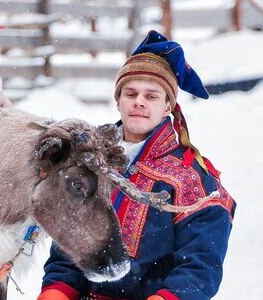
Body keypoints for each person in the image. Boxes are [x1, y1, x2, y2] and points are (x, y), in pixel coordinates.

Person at [38, 31, 237, 300]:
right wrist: (56, 292)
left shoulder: (194, 182)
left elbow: (199, 270)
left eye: (152, 96)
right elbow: (67, 255)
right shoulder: (88, 169)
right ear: (118, 101)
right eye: (130, 93)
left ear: (169, 106)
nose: (139, 101)